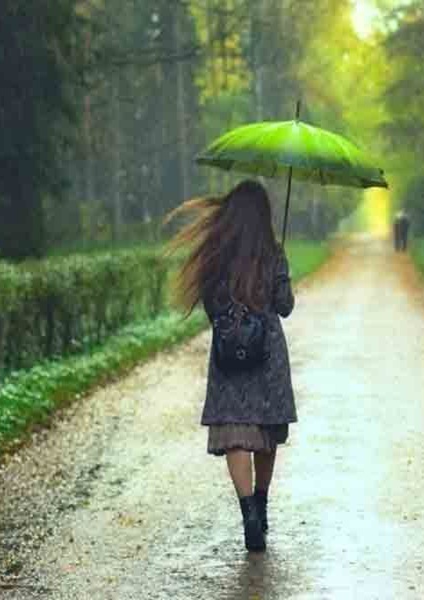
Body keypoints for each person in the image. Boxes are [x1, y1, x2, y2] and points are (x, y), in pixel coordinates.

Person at [164, 180, 296, 553]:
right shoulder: (272, 253)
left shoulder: (216, 254)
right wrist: (280, 274)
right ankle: (262, 506)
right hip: (268, 354)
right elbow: (285, 306)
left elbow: (211, 304)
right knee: (266, 431)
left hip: (228, 354)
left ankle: (248, 514)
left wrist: (232, 323)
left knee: (237, 432)